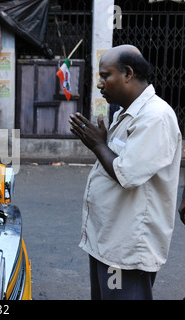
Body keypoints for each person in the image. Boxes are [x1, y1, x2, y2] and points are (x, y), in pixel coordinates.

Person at [69, 44, 182, 300]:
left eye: (105, 76)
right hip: (108, 241)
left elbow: (126, 174)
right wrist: (103, 143)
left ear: (128, 73)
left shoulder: (155, 117)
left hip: (126, 251)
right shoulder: (125, 113)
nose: (99, 84)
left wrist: (98, 144)